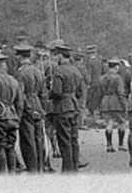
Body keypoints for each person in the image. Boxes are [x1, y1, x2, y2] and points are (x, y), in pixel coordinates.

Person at [0, 52, 23, 174]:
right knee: (10, 146)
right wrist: (18, 116)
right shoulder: (14, 80)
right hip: (12, 116)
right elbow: (20, 102)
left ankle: (2, 175)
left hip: (0, 116)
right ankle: (11, 173)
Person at [50, 44, 84, 172]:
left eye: (56, 55)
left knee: (64, 140)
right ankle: (74, 167)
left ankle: (67, 170)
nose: (55, 58)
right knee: (73, 138)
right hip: (74, 106)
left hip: (62, 107)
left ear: (60, 55)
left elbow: (57, 92)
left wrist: (50, 93)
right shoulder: (76, 70)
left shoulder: (59, 70)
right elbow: (80, 92)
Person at [14, 44, 46, 173]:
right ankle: (40, 168)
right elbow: (44, 94)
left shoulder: (20, 73)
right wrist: (42, 109)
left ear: (19, 57)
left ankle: (32, 169)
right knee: (39, 139)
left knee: (28, 140)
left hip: (27, 106)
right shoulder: (38, 71)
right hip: (38, 104)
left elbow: (20, 96)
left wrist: (18, 114)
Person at [98, 58, 128, 153]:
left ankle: (109, 145)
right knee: (122, 123)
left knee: (109, 123)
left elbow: (100, 92)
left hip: (105, 102)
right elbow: (120, 93)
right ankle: (120, 144)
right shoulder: (118, 78)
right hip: (116, 103)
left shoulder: (102, 78)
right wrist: (125, 105)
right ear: (116, 67)